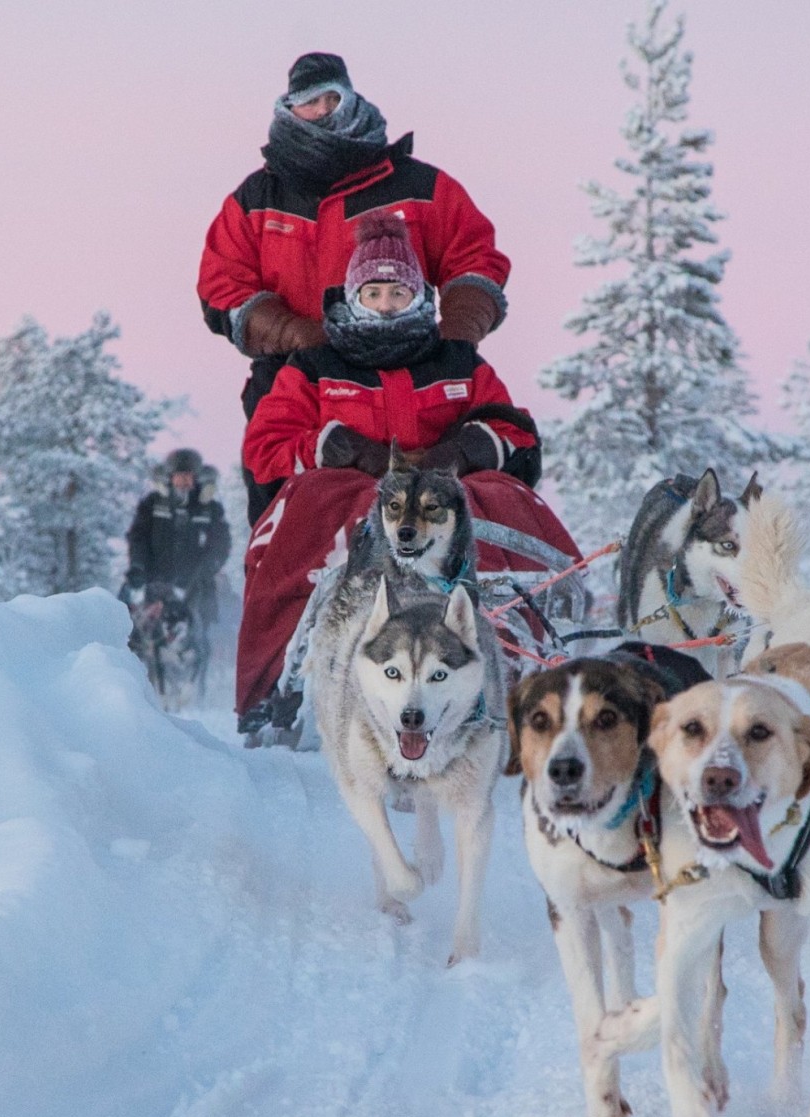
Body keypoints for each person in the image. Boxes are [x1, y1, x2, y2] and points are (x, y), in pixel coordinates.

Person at [235, 212, 578, 728]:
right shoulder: (314, 367)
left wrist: (468, 449)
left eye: (398, 292)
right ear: (353, 297)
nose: (386, 305)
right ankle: (279, 683)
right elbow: (266, 446)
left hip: (447, 495)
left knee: (498, 495)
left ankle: (537, 655)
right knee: (319, 497)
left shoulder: (457, 362)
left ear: (420, 297)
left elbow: (516, 432)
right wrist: (336, 447)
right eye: (373, 294)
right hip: (356, 493)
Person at [198, 52, 511, 524]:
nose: (322, 110)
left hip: (416, 371)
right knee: (282, 524)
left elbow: (475, 255)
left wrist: (459, 336)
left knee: (458, 505)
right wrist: (296, 334)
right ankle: (284, 599)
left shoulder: (420, 186)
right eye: (309, 102)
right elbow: (222, 283)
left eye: (331, 97)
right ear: (287, 109)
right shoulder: (256, 199)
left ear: (350, 97)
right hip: (297, 377)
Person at [124, 449, 232, 640]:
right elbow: (138, 537)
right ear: (170, 477)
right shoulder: (152, 504)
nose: (185, 481)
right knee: (127, 614)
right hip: (154, 578)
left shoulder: (210, 508)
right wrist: (138, 565)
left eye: (189, 476)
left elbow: (221, 543)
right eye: (180, 476)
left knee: (202, 626)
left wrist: (207, 568)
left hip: (196, 582)